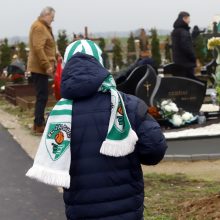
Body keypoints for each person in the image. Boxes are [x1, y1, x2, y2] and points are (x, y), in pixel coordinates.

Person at [26, 39, 167, 220]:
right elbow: (154, 150)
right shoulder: (127, 105)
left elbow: (56, 157)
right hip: (127, 210)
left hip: (82, 211)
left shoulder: (59, 115)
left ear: (67, 66)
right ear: (100, 64)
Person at [27, 6, 56, 134]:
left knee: (42, 96)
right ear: (46, 14)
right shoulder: (39, 27)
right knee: (42, 97)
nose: (53, 20)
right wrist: (47, 65)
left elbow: (48, 45)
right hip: (39, 68)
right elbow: (38, 48)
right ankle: (39, 125)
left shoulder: (43, 26)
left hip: (40, 68)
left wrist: (57, 54)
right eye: (52, 17)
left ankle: (37, 124)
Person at [171, 11, 197, 79]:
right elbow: (187, 47)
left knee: (180, 86)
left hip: (178, 63)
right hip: (187, 64)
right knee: (189, 85)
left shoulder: (175, 31)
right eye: (188, 18)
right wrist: (193, 57)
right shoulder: (183, 32)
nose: (189, 20)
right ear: (184, 18)